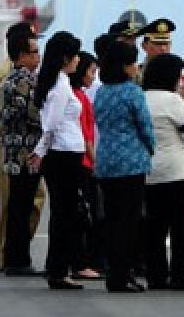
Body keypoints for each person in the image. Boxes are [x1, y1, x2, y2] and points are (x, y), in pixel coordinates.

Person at [93, 38, 156, 293]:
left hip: (106, 160)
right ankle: (122, 274)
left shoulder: (102, 92)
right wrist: (150, 149)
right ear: (125, 67)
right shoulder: (132, 92)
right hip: (131, 163)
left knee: (112, 219)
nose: (136, 68)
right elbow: (145, 127)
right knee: (129, 223)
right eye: (133, 64)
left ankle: (113, 272)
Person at [31, 31, 88, 290]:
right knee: (65, 214)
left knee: (64, 213)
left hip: (65, 153)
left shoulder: (55, 81)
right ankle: (58, 270)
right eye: (75, 55)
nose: (78, 60)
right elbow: (51, 124)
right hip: (63, 154)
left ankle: (58, 268)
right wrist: (40, 151)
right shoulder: (61, 84)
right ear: (66, 57)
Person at [141, 53, 184, 291]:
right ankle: (179, 275)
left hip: (149, 171)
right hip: (176, 171)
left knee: (154, 228)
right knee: (180, 227)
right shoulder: (172, 100)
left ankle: (156, 275)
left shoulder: (142, 98)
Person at [0, 23, 45, 270]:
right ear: (21, 55)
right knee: (21, 206)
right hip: (24, 153)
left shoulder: (10, 76)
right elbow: (34, 115)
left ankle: (13, 257)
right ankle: (16, 259)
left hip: (14, 152)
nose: (38, 57)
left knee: (18, 206)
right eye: (34, 52)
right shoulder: (23, 79)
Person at [69, 51, 105, 279]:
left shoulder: (78, 94)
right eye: (91, 71)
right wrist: (94, 160)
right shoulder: (79, 98)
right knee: (85, 215)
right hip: (83, 162)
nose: (94, 77)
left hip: (80, 160)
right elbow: (85, 134)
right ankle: (82, 262)